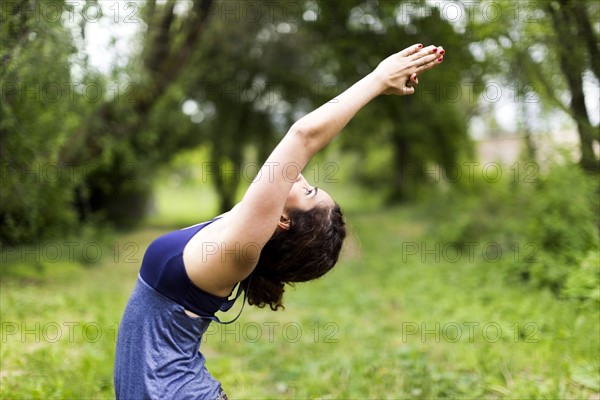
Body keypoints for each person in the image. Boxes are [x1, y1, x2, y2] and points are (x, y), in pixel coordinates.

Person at [114, 43, 445, 399]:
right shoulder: (235, 227)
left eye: (309, 191)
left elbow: (303, 137)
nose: (299, 177)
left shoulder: (238, 252)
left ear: (283, 221)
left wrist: (379, 79)